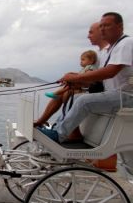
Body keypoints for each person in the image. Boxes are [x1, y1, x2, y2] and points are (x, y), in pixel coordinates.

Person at [38, 12, 133, 142]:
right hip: (116, 95)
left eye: (107, 25)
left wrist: (76, 78)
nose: (103, 29)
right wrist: (74, 78)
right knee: (76, 97)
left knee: (84, 101)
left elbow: (110, 72)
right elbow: (101, 78)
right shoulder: (111, 49)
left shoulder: (126, 43)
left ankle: (59, 135)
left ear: (120, 27)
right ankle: (57, 129)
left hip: (127, 96)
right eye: (101, 26)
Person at [34, 22, 109, 128]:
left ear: (101, 32)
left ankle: (70, 130)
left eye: (91, 32)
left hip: (100, 90)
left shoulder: (107, 53)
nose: (88, 36)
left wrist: (76, 79)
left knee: (67, 94)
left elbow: (98, 77)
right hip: (93, 88)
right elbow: (92, 75)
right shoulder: (100, 54)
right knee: (63, 93)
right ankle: (42, 121)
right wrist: (71, 76)